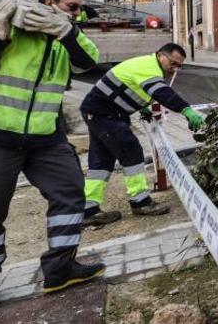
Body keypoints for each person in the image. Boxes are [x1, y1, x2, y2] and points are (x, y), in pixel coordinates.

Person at [0, 0, 104, 311]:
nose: (78, 15)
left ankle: (60, 269)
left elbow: (88, 63)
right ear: (50, 2)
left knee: (71, 192)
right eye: (72, 7)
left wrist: (66, 31)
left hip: (46, 137)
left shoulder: (66, 36)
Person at [80, 43, 204, 226]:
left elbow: (131, 86)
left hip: (100, 112)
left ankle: (88, 209)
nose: (175, 68)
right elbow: (162, 93)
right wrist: (186, 110)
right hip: (105, 114)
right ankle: (140, 202)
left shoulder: (148, 66)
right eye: (173, 63)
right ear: (161, 55)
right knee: (131, 150)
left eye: (179, 65)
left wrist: (142, 107)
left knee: (101, 160)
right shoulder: (149, 67)